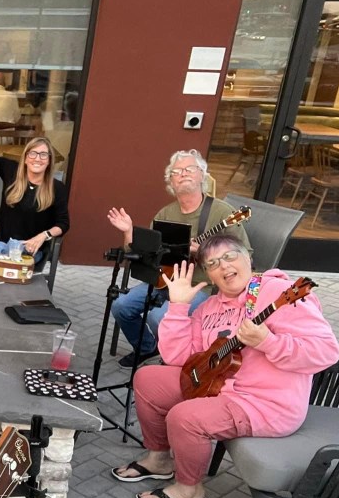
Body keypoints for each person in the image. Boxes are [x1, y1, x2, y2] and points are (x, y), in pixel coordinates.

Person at [111, 236, 339, 498]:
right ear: (208, 275)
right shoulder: (210, 307)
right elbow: (178, 357)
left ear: (248, 259)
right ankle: (160, 459)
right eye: (212, 263)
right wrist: (178, 307)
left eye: (230, 256)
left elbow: (326, 351)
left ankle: (189, 490)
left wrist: (269, 342)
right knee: (147, 378)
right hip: (217, 385)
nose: (224, 266)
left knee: (185, 417)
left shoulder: (280, 293)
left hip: (264, 403)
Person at [107, 149, 250, 368]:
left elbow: (245, 254)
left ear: (202, 175)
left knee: (158, 317)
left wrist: (203, 252)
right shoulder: (166, 213)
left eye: (189, 169)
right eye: (176, 172)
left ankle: (175, 358)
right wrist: (128, 231)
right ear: (171, 182)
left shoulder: (223, 213)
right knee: (120, 306)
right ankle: (146, 348)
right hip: (165, 280)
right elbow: (144, 252)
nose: (183, 174)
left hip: (200, 287)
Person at [0, 136, 69, 267]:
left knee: (10, 276)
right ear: (26, 158)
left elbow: (63, 223)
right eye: (33, 153)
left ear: (49, 161)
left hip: (27, 249)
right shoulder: (11, 171)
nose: (38, 158)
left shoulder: (56, 188)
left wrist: (44, 235)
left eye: (43, 155)